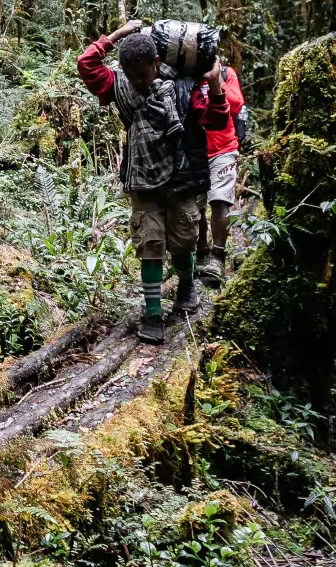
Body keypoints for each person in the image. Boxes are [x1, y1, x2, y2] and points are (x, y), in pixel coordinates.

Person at [77, 19, 230, 344]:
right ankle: (152, 314)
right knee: (150, 242)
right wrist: (118, 35)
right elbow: (86, 64)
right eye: (132, 76)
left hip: (183, 174)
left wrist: (215, 83)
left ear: (156, 63)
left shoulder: (184, 85)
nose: (139, 82)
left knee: (183, 240)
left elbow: (217, 119)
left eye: (144, 75)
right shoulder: (119, 84)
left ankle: (186, 289)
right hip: (142, 177)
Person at [195, 60, 245, 288]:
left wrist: (216, 80)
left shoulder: (227, 73)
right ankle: (201, 251)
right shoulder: (188, 77)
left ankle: (218, 254)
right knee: (196, 205)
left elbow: (235, 105)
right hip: (194, 149)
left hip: (224, 148)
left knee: (219, 201)